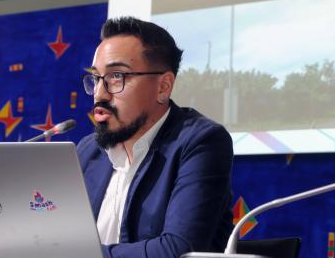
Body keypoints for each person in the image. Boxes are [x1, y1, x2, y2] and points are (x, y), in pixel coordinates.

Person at [77, 16, 234, 257]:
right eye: (97, 78)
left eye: (116, 77)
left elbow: (178, 249)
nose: (100, 94)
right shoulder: (88, 150)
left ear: (163, 86)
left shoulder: (201, 142)